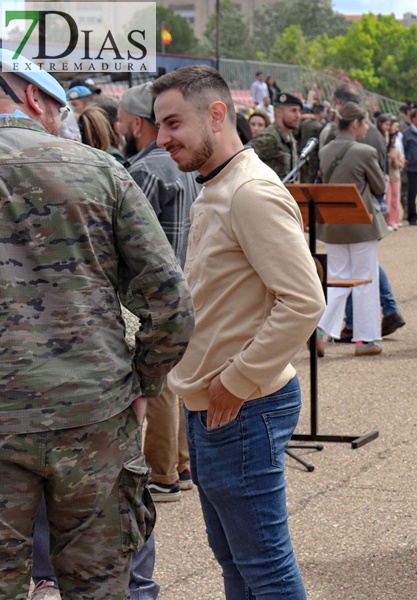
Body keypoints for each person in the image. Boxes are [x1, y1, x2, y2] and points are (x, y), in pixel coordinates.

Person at [0, 49, 192, 599]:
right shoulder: (98, 170)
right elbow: (171, 302)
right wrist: (144, 384)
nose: (65, 121)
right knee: (99, 584)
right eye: (61, 108)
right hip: (93, 413)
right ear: (33, 97)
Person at [153, 65, 325, 599]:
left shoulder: (249, 192)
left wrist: (238, 380)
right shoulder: (219, 186)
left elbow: (304, 302)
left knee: (265, 569)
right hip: (214, 405)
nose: (162, 139)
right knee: (236, 563)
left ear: (218, 114)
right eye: (159, 125)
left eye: (174, 123)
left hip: (242, 407)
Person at [117, 81, 203, 501]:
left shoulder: (145, 171)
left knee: (162, 385)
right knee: (178, 381)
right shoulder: (180, 166)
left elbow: (130, 243)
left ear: (136, 123)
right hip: (184, 286)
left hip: (152, 295)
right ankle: (182, 465)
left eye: (121, 119)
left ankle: (162, 473)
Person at [315, 103, 389, 357]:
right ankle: (366, 339)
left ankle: (321, 328)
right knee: (365, 279)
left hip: (334, 225)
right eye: (365, 123)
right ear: (355, 123)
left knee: (338, 278)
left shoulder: (324, 151)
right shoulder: (365, 151)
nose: (367, 127)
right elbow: (379, 187)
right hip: (361, 224)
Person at [248, 91, 302, 181]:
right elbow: (241, 159)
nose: (298, 116)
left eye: (299, 111)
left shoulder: (290, 139)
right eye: (293, 111)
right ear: (278, 112)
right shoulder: (270, 138)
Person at [296, 103, 325, 184]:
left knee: (303, 174)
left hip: (302, 151)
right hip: (314, 155)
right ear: (321, 113)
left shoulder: (304, 123)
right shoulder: (319, 125)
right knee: (311, 176)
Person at [386, 125, 405, 230]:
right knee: (387, 200)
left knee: (395, 200)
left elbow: (401, 164)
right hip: (387, 178)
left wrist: (395, 160)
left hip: (395, 177)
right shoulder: (385, 150)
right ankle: (387, 220)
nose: (392, 140)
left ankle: (394, 221)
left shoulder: (397, 150)